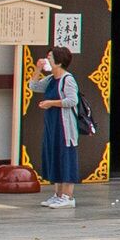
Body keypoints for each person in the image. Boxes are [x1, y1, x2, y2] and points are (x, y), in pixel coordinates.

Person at [27, 48, 85, 208]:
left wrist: (51, 103)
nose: (47, 59)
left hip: (65, 127)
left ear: (58, 62)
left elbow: (72, 101)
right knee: (55, 156)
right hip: (52, 125)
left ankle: (68, 196)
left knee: (66, 158)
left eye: (50, 57)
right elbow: (34, 86)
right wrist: (38, 69)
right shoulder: (52, 78)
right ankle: (57, 194)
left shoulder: (67, 79)